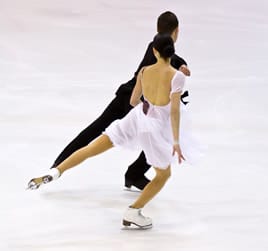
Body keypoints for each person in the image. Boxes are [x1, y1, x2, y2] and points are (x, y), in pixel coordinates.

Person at [28, 34, 190, 229]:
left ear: (154, 51)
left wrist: (145, 106)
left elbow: (133, 101)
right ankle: (133, 211)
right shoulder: (177, 76)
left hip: (136, 117)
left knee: (93, 147)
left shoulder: (144, 71)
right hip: (154, 127)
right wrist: (176, 142)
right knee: (163, 175)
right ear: (171, 50)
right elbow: (174, 110)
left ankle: (56, 171)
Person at [50, 11, 190, 190]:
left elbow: (170, 58)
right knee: (159, 136)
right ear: (177, 31)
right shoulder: (160, 50)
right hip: (137, 101)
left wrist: (181, 63)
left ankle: (57, 165)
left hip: (125, 94)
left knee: (95, 128)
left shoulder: (155, 46)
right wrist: (182, 64)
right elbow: (169, 61)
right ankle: (134, 174)